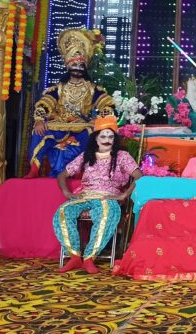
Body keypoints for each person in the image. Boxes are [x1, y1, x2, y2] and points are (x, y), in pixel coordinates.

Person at [53, 115, 142, 274]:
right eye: (103, 136)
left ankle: (89, 258)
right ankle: (74, 256)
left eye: (110, 137)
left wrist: (124, 195)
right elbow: (62, 175)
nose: (107, 140)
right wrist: (66, 192)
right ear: (96, 138)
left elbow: (139, 177)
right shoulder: (86, 156)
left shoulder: (122, 156)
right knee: (63, 211)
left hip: (107, 197)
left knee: (107, 212)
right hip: (85, 195)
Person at [25, 28, 115, 178]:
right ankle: (34, 166)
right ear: (68, 66)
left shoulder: (91, 89)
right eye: (74, 65)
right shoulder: (58, 88)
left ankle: (85, 170)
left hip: (81, 127)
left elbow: (107, 104)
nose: (78, 69)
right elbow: (45, 102)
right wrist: (39, 119)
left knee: (93, 133)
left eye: (81, 66)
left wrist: (99, 119)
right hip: (58, 124)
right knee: (38, 130)